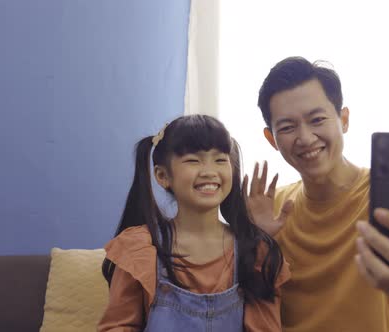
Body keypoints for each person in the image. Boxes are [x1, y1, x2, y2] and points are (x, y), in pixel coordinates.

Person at [243, 56, 389, 331]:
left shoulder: (384, 198)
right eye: (287, 127)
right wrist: (254, 242)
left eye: (317, 119)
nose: (305, 138)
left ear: (343, 120)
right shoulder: (271, 209)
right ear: (272, 139)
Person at [98, 114, 290, 332]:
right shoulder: (140, 247)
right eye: (193, 160)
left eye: (220, 160)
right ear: (162, 176)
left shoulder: (256, 252)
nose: (209, 171)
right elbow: (119, 326)